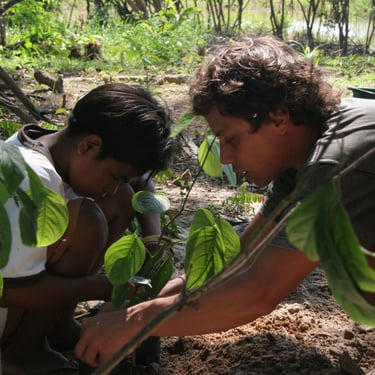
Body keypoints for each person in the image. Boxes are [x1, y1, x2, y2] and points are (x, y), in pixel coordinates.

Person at [75, 36, 375, 368]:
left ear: (278, 118)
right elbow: (241, 255)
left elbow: (258, 291)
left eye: (231, 139)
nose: (227, 158)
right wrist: (149, 301)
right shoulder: (306, 149)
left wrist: (136, 322)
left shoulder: (337, 163)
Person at [0, 83, 173, 374]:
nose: (114, 185)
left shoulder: (51, 144)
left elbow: (141, 179)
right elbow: (11, 291)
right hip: (10, 296)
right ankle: (21, 354)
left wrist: (153, 239)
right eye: (114, 175)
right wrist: (106, 288)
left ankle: (57, 327)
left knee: (121, 200)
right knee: (90, 220)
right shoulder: (33, 180)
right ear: (89, 146)